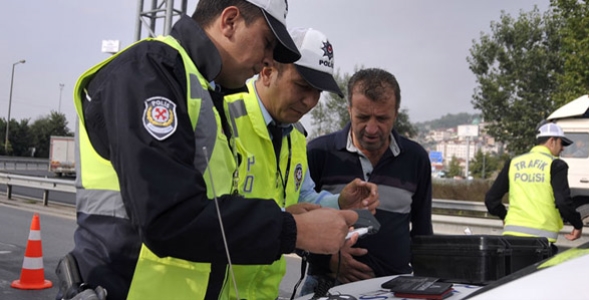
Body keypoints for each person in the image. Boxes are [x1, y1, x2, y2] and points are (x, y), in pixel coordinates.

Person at [61, 1, 360, 299]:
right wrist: (293, 229)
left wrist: (286, 217)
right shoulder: (148, 72)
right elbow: (168, 217)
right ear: (229, 21)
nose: (267, 60)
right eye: (267, 43)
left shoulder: (203, 90)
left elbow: (211, 207)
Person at [223, 27, 379, 299]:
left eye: (318, 91)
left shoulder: (295, 136)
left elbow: (304, 195)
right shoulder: (225, 115)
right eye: (302, 86)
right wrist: (287, 220)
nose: (310, 101)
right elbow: (210, 213)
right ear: (268, 71)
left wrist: (339, 202)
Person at [301, 68, 434, 296]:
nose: (372, 129)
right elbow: (294, 224)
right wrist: (327, 260)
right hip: (326, 284)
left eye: (382, 118)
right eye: (362, 117)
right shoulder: (318, 153)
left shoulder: (416, 158)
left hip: (396, 287)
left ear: (396, 113)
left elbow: (422, 235)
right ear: (349, 110)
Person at [485, 122, 583, 255]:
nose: (563, 149)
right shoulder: (555, 165)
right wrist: (577, 224)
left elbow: (491, 200)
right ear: (552, 141)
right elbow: (563, 201)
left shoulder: (513, 163)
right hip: (541, 243)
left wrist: (505, 216)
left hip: (510, 239)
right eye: (562, 143)